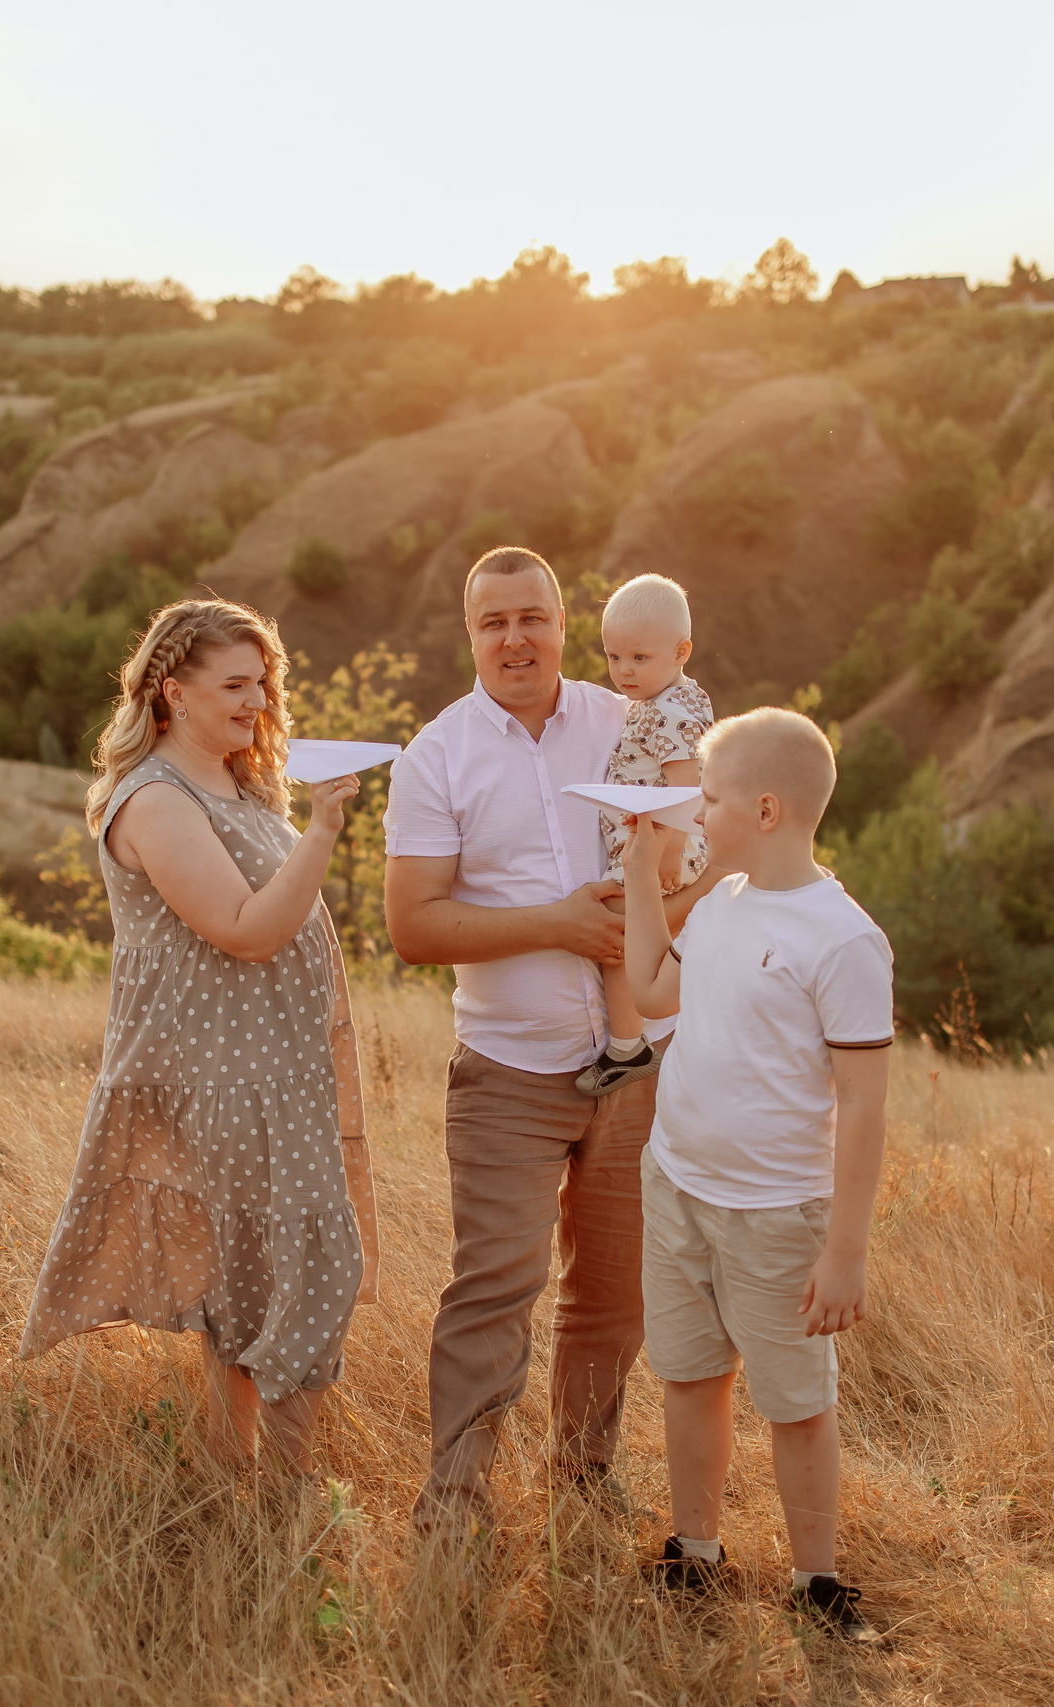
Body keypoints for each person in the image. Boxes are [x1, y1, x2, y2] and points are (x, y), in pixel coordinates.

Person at [383, 546, 717, 1529]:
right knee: (495, 1286)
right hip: (509, 1071)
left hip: (642, 1064)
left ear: (564, 625)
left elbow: (707, 853)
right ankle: (454, 1503)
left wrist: (655, 920)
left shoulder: (631, 719)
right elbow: (413, 926)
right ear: (471, 635)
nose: (515, 637)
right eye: (494, 622)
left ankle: (581, 1486)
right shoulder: (435, 755)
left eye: (533, 616)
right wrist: (560, 925)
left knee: (615, 1291)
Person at [19, 597, 380, 1488]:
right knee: (305, 1264)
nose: (258, 700)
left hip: (274, 1070)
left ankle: (238, 1478)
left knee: (250, 1274)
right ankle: (287, 1493)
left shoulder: (240, 786)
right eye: (235, 684)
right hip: (217, 1072)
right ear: (173, 691)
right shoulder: (155, 800)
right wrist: (324, 829)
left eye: (263, 683)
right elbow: (246, 930)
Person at [617, 706, 895, 1646]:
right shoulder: (720, 905)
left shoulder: (843, 938)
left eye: (710, 797)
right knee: (690, 1375)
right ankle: (695, 1552)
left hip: (778, 1215)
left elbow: (863, 1104)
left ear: (766, 809)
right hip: (677, 1188)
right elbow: (651, 991)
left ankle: (818, 1583)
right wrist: (640, 875)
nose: (697, 812)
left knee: (796, 1402)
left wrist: (845, 1250)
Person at [576, 573, 714, 1098]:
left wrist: (669, 852)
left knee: (615, 931)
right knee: (637, 929)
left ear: (681, 652)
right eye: (614, 657)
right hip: (655, 842)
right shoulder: (677, 697)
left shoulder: (670, 713)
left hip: (662, 844)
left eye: (639, 658)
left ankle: (627, 1045)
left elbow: (686, 787)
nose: (624, 671)